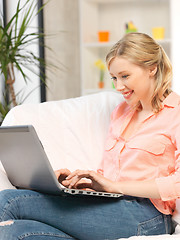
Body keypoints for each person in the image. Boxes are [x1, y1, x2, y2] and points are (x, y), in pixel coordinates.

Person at [0, 32, 178, 239]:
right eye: (114, 78)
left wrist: (115, 186)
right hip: (111, 203)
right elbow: (110, 173)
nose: (118, 87)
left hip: (148, 215)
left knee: (9, 201)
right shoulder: (121, 113)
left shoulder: (176, 114)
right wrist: (83, 183)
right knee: (17, 232)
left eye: (125, 76)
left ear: (152, 68)